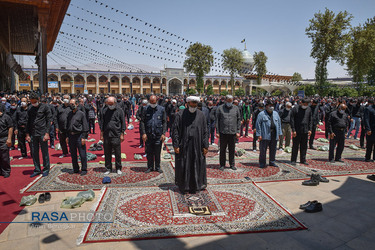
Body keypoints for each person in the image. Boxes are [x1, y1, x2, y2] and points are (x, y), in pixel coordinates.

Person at [172, 96, 209, 193]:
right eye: (191, 104)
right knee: (185, 164)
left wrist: (206, 146)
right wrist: (176, 145)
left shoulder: (201, 115)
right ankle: (185, 186)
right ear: (188, 104)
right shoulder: (180, 115)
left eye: (195, 104)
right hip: (184, 145)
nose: (193, 106)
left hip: (198, 145)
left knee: (197, 164)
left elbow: (205, 131)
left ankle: (197, 185)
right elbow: (175, 130)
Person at [26, 92, 52, 177]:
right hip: (33, 133)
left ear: (39, 100)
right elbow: (28, 122)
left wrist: (47, 133)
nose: (33, 103)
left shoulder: (45, 107)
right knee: (34, 152)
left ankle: (46, 169)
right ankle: (37, 169)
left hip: (42, 132)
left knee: (45, 152)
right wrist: (27, 135)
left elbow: (49, 121)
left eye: (34, 101)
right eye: (32, 102)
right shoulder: (30, 108)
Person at [140, 95, 167, 173]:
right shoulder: (145, 109)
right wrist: (143, 133)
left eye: (154, 102)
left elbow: (164, 121)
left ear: (157, 101)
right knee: (149, 152)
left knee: (157, 152)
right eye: (151, 102)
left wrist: (163, 133)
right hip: (148, 134)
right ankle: (150, 167)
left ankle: (158, 167)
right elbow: (142, 122)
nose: (152, 103)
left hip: (158, 134)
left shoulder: (162, 109)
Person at [100, 97, 126, 175]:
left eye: (111, 104)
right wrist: (101, 134)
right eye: (109, 104)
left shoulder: (119, 110)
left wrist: (122, 134)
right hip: (107, 134)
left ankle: (118, 168)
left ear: (115, 103)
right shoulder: (104, 110)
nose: (110, 106)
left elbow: (123, 123)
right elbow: (102, 122)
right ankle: (108, 168)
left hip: (116, 134)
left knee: (117, 153)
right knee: (107, 152)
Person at [216, 95, 241, 170]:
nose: (229, 102)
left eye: (231, 101)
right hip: (223, 132)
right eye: (228, 101)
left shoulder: (236, 108)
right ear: (225, 100)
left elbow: (238, 120)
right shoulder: (220, 108)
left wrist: (238, 131)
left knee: (232, 149)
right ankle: (222, 165)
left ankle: (232, 164)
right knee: (222, 149)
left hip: (233, 132)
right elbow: (217, 121)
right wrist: (217, 132)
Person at [256, 101, 282, 168]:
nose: (271, 107)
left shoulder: (276, 113)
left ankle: (272, 162)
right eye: (270, 105)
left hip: (274, 134)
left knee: (273, 149)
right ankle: (262, 163)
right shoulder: (261, 114)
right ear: (266, 106)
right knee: (263, 150)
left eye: (272, 105)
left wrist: (279, 133)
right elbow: (258, 124)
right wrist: (259, 134)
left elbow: (279, 124)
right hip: (265, 134)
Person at [66, 98, 89, 175]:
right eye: (70, 104)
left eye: (72, 104)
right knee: (73, 154)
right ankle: (75, 168)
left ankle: (84, 169)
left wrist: (84, 137)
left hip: (79, 136)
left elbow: (85, 126)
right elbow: (67, 125)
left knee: (82, 154)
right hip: (71, 136)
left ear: (77, 104)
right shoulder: (69, 114)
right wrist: (67, 136)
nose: (71, 106)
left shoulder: (81, 114)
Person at [290, 98, 312, 166]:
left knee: (304, 146)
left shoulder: (309, 109)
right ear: (301, 103)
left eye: (307, 104)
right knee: (295, 146)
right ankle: (293, 160)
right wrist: (293, 130)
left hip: (305, 130)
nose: (305, 105)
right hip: (297, 130)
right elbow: (292, 119)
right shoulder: (295, 109)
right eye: (304, 104)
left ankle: (303, 159)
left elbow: (310, 120)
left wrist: (310, 129)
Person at [0, 104, 14, 178]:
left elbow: (10, 127)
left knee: (4, 156)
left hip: (4, 138)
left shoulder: (6, 117)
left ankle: (6, 171)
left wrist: (9, 139)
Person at [364, 98, 375, 162]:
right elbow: (366, 119)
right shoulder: (369, 109)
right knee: (369, 144)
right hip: (371, 129)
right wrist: (368, 129)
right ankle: (367, 157)